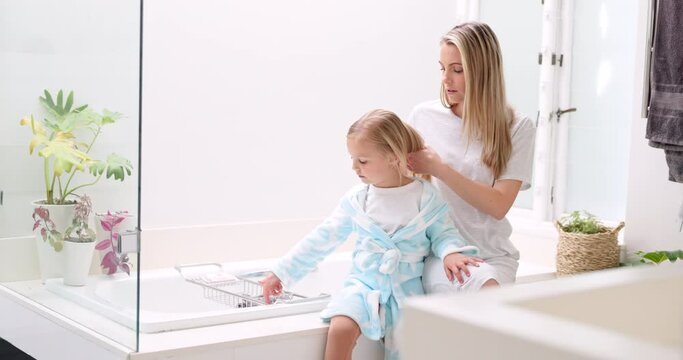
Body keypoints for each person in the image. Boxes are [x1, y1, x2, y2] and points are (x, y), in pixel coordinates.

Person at [260, 109, 481, 360]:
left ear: (393, 157)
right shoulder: (358, 201)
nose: (354, 167)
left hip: (405, 289)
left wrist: (450, 252)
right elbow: (322, 239)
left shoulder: (426, 197)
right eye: (352, 159)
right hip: (363, 284)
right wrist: (282, 272)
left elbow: (444, 234)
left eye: (362, 161)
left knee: (411, 346)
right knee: (341, 327)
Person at [407, 22, 536, 293]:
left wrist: (439, 169)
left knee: (488, 294)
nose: (446, 79)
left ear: (483, 72)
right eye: (443, 68)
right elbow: (405, 189)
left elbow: (498, 205)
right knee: (483, 291)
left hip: (493, 255)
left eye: (458, 70)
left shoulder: (517, 127)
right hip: (442, 253)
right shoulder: (423, 117)